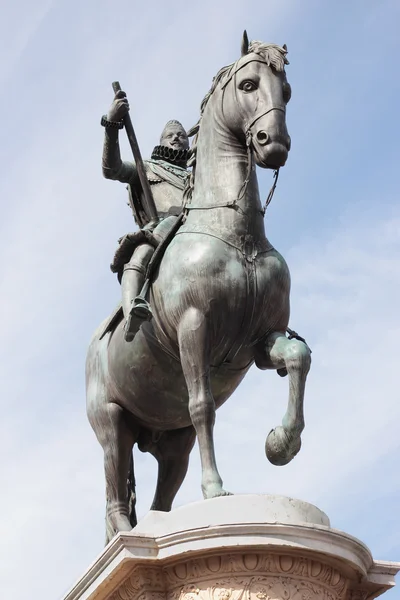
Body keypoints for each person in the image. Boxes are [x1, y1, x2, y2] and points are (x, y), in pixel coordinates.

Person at [101, 90, 190, 341]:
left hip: (197, 229)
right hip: (162, 228)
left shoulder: (199, 176)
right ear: (161, 142)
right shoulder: (147, 168)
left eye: (181, 136)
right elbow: (112, 168)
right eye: (170, 136)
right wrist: (112, 126)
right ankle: (133, 308)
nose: (176, 139)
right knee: (141, 253)